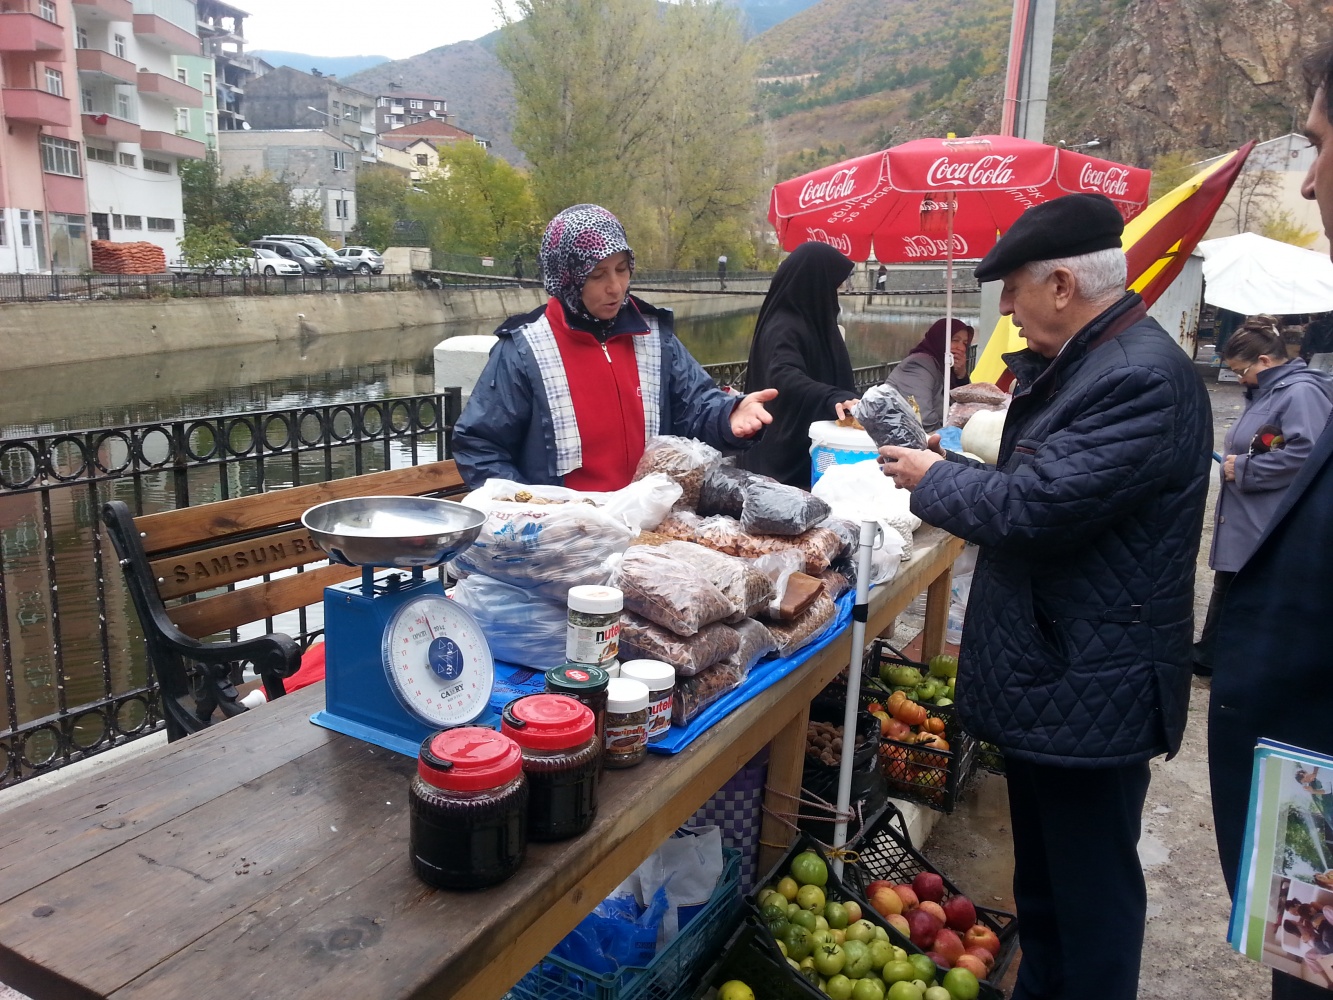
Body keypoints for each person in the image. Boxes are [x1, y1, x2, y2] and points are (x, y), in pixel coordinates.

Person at [879, 192, 1212, 1000]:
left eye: (1012, 289)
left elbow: (1033, 509)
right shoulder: (1097, 363)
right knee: (1047, 890)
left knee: (1087, 899)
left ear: (1061, 285)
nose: (1006, 311)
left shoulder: (1136, 378)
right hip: (1060, 678)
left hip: (1090, 683)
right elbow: (1053, 481)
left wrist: (932, 477)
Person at [1209, 40, 1333, 1000]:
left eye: (1322, 145)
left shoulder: (1302, 395)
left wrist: (1240, 466)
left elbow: (1285, 461)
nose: (1311, 180)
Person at [452, 205, 775, 490]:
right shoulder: (526, 350)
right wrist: (530, 509)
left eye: (622, 269)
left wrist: (729, 415)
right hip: (567, 531)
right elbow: (481, 445)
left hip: (648, 523)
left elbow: (696, 405)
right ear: (567, 278)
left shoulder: (653, 336)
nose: (615, 287)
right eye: (597, 275)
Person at [1191, 320, 1333, 676]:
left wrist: (1244, 469)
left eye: (1241, 371)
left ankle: (1232, 661)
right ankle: (1211, 655)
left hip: (1269, 515)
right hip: (1249, 513)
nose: (1239, 379)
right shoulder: (1269, 391)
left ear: (1265, 361)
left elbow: (1308, 453)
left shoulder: (1301, 394)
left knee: (1249, 587)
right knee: (1230, 583)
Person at [739, 241, 858, 487]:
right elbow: (782, 376)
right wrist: (832, 397)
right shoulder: (784, 326)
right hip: (783, 465)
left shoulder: (813, 322)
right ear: (816, 285)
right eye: (832, 287)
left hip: (809, 451)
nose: (835, 295)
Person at [883, 318, 974, 432]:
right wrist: (948, 437)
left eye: (965, 343)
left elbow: (968, 406)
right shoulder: (918, 365)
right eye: (955, 340)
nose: (961, 348)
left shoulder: (945, 367)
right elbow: (922, 418)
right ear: (939, 339)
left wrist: (961, 376)